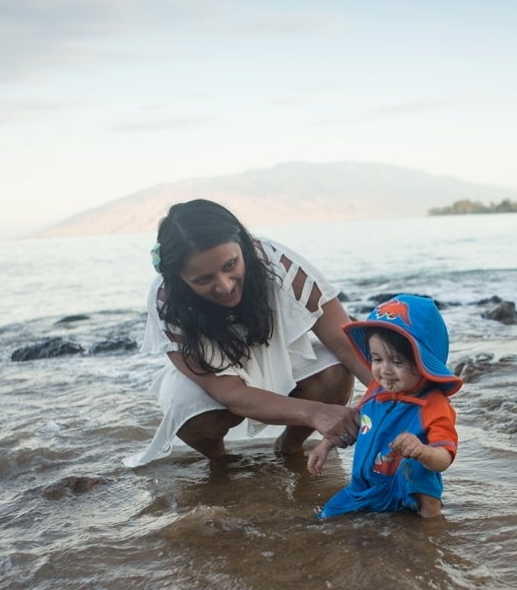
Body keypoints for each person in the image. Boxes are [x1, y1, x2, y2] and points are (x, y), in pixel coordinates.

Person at [125, 198, 370, 466]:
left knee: (335, 371)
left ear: (242, 243)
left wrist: (407, 398)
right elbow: (229, 392)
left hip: (280, 360)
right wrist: (316, 413)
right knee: (188, 410)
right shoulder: (166, 301)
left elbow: (346, 343)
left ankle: (290, 448)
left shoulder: (279, 264)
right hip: (219, 384)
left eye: (230, 265)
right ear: (179, 279)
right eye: (203, 279)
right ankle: (223, 464)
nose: (225, 285)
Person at [307, 295, 461, 521]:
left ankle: (431, 521)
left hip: (401, 488)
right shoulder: (375, 392)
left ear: (423, 363)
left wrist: (422, 451)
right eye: (377, 359)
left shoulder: (433, 404)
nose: (384, 371)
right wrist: (324, 446)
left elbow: (444, 457)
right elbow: (356, 422)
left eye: (397, 362)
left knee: (415, 467)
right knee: (324, 519)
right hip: (363, 489)